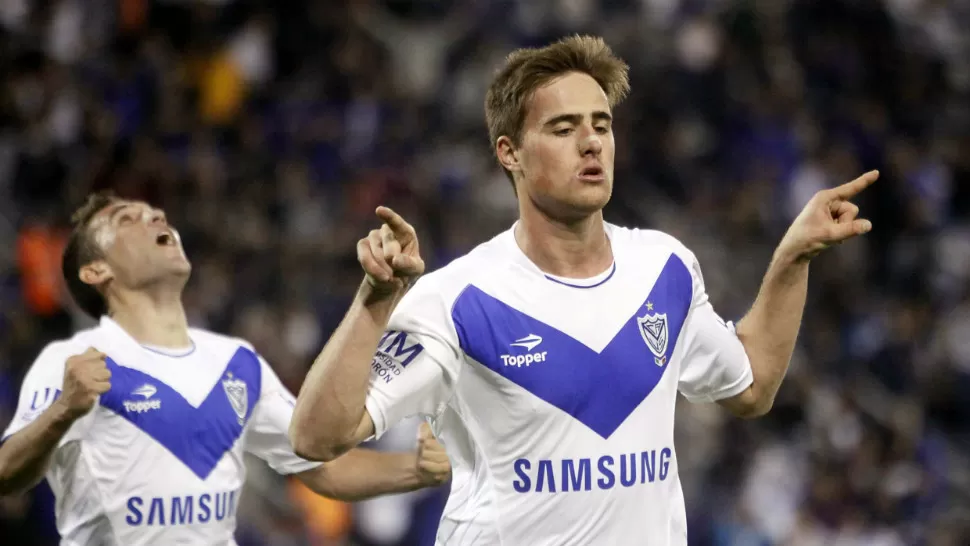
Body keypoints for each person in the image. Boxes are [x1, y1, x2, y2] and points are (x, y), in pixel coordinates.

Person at [289, 35, 877, 545]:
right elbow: (318, 437)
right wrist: (373, 300)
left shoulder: (663, 269)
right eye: (564, 128)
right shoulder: (459, 300)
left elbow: (750, 386)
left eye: (601, 125)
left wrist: (794, 257)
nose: (591, 143)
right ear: (509, 153)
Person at [0, 192, 452, 545]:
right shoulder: (74, 362)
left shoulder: (237, 362)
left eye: (153, 212)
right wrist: (62, 411)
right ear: (95, 270)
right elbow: (6, 477)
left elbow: (323, 468)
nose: (155, 216)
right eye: (126, 220)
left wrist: (418, 469)